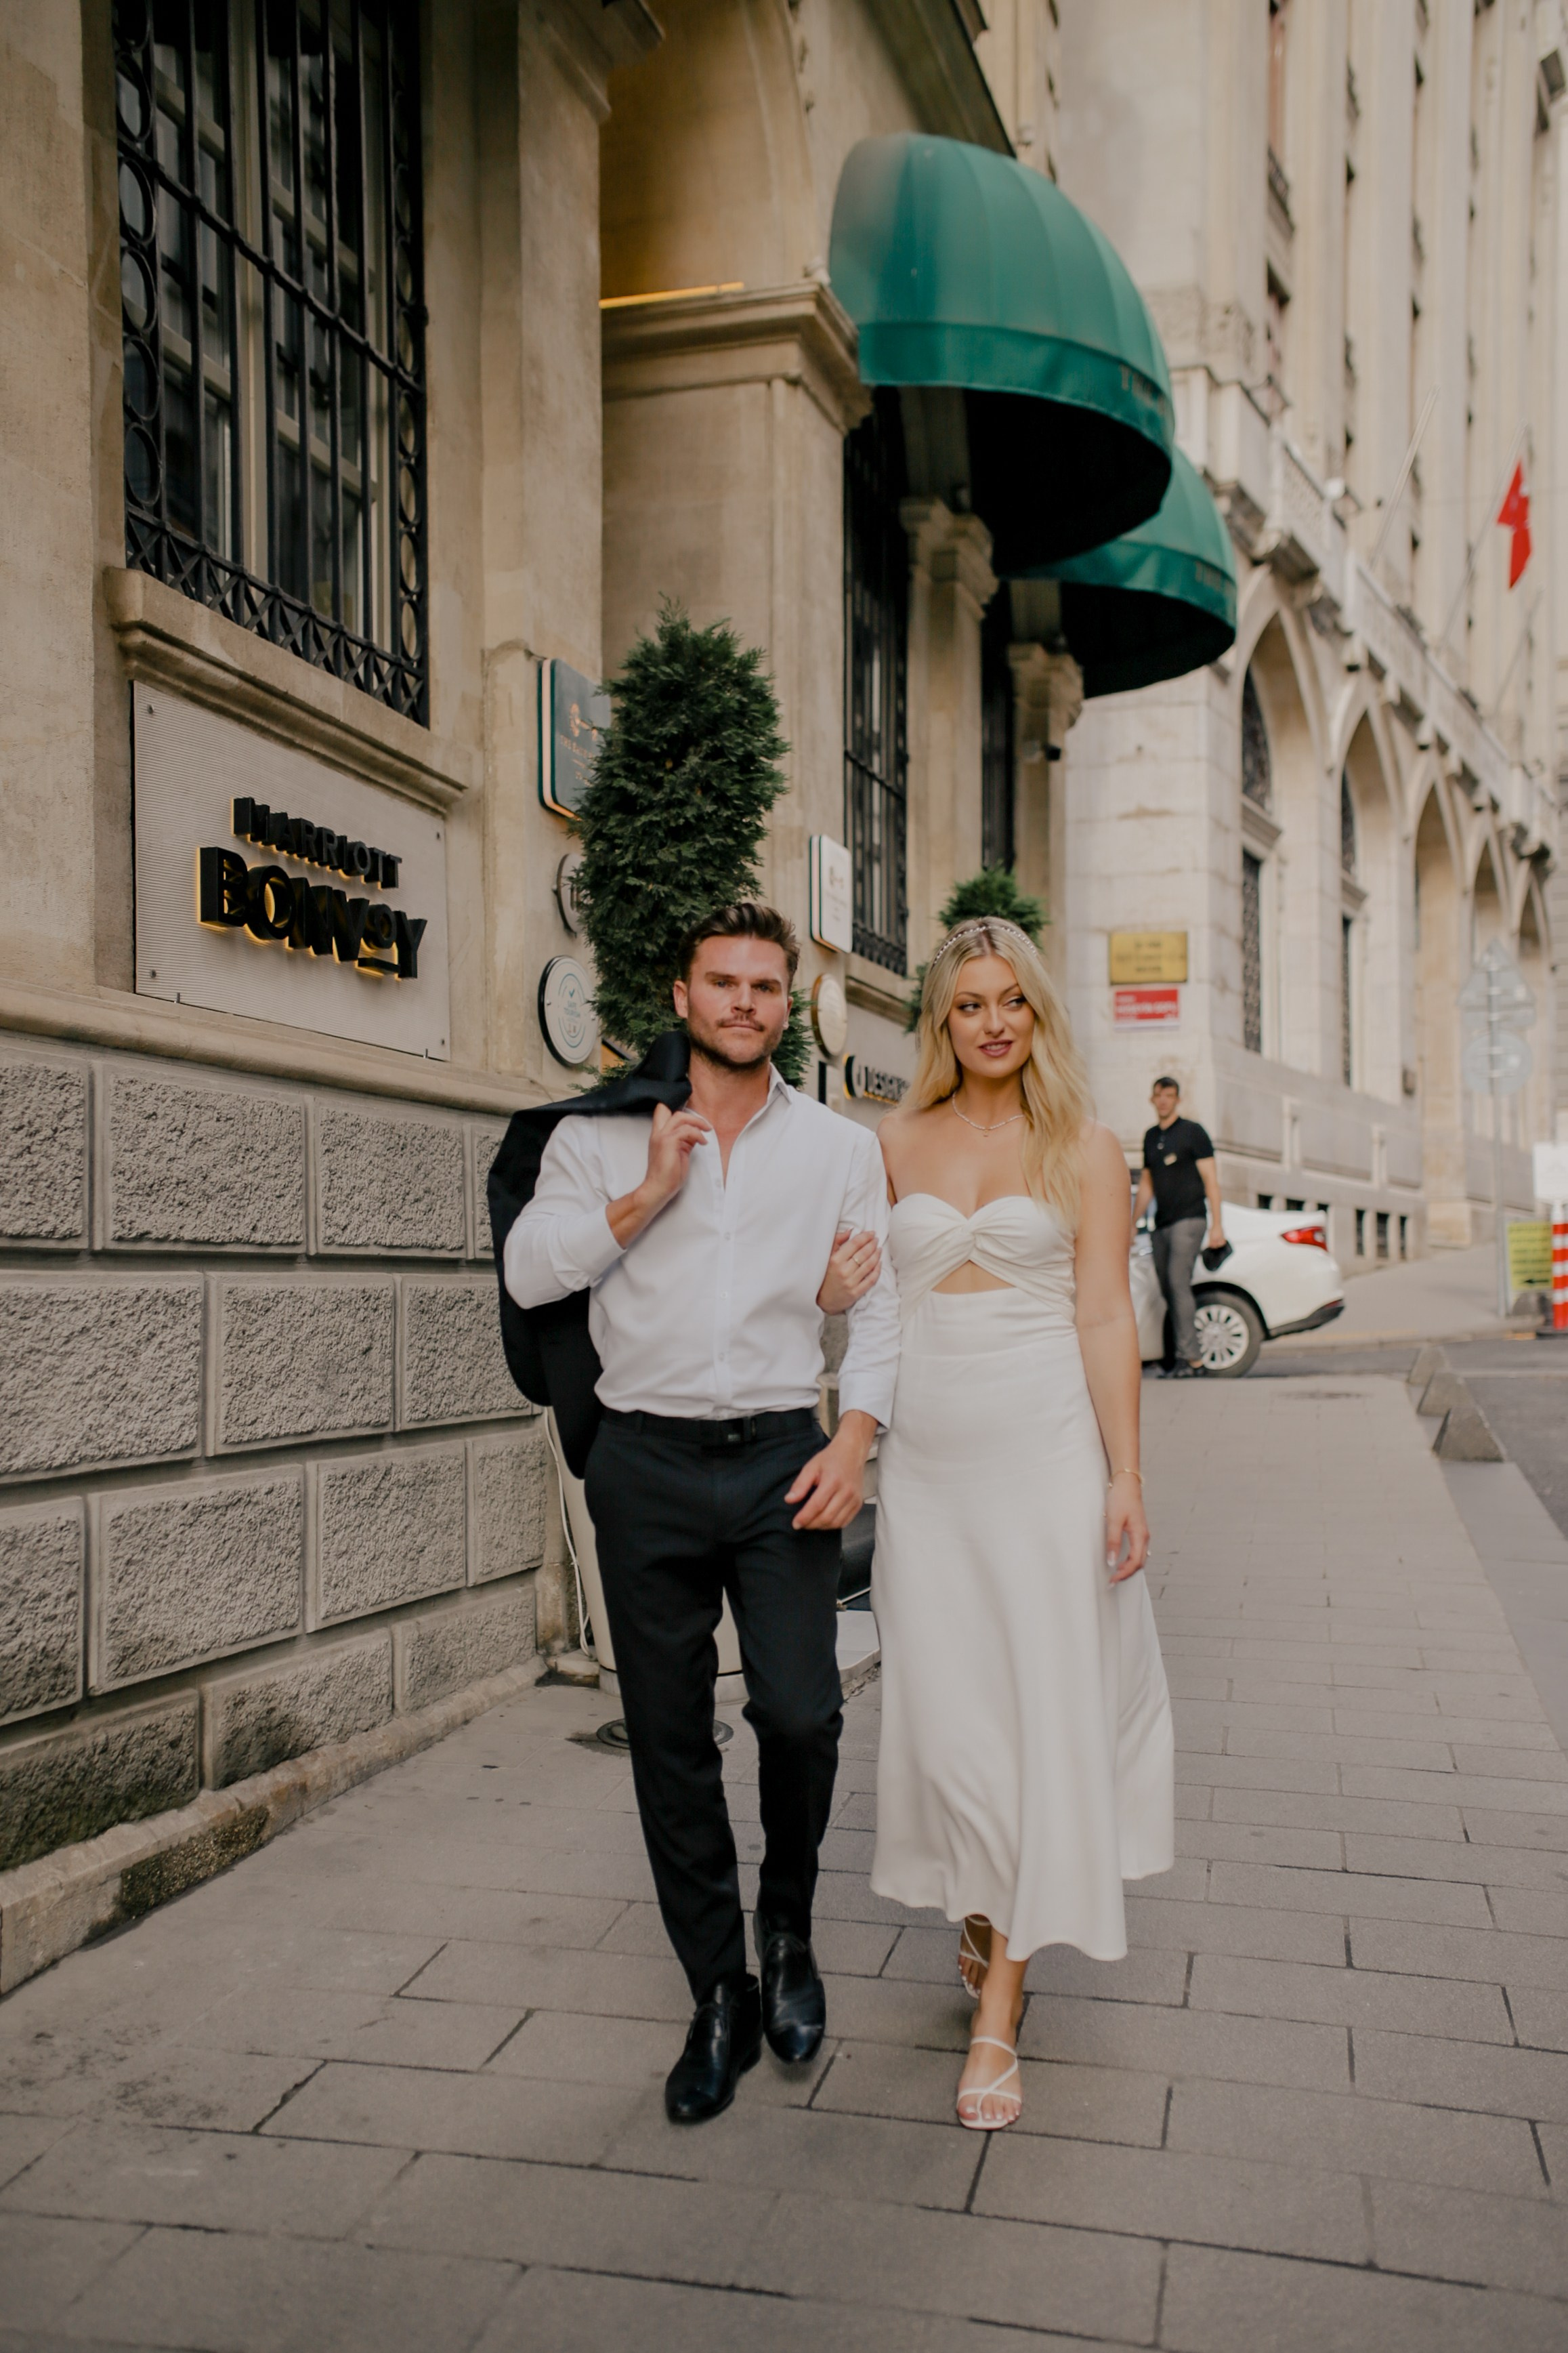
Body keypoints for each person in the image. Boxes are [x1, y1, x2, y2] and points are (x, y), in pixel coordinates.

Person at [504, 902, 899, 2125]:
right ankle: (716, 1988)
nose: (745, 1002)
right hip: (647, 1464)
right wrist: (649, 1194)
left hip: (788, 1456)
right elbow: (528, 1272)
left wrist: (853, 1439)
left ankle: (787, 1921)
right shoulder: (605, 1137)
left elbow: (877, 1309)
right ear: (682, 996)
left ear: (788, 1002)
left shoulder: (837, 1146)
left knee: (801, 1709)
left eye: (766, 985)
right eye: (722, 981)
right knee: (671, 1734)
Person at [870, 918, 1174, 2131]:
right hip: (930, 1471)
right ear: (941, 1020)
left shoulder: (1087, 1145)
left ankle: (1001, 2006)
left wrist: (1127, 1475)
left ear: (1038, 1014)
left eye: (1013, 1001)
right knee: (949, 1726)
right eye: (968, 1004)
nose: (993, 1021)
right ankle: (988, 1904)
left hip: (1046, 1455)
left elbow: (1104, 1314)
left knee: (1043, 1710)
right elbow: (869, 1310)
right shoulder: (888, 1141)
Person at [1134, 1075, 1226, 1378]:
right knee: (1167, 1289)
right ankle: (1179, 1357)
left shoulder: (1192, 1132)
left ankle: (1193, 1360)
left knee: (1177, 1282)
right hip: (1162, 1224)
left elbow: (1211, 1180)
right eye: (1159, 1095)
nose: (1163, 1100)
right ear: (1152, 1099)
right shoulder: (1150, 1137)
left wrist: (1217, 1227)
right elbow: (1146, 1184)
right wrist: (1131, 1225)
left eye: (1169, 1095)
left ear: (1177, 1099)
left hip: (1190, 1219)